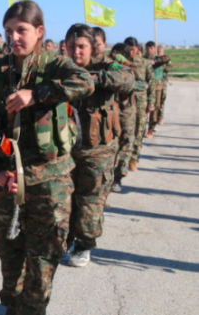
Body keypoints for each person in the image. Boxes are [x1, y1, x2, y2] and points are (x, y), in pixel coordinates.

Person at [0, 0, 93, 315]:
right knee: (9, 255)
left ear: (39, 31)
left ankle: (32, 309)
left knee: (44, 258)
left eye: (21, 30)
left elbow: (85, 82)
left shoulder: (54, 66)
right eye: (8, 31)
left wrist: (36, 94)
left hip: (50, 181)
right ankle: (14, 306)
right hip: (8, 183)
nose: (14, 37)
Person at [64, 24, 134, 267]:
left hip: (98, 150)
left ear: (92, 47)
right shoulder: (61, 68)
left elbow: (127, 79)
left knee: (90, 199)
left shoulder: (107, 66)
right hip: (66, 147)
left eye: (81, 46)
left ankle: (84, 245)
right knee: (64, 197)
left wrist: (92, 78)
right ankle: (65, 239)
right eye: (72, 46)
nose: (76, 52)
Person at [110, 43, 138, 193]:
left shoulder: (131, 68)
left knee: (126, 143)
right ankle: (108, 177)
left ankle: (118, 177)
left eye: (119, 54)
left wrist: (124, 63)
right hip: (111, 110)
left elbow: (137, 79)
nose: (116, 56)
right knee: (111, 144)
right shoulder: (108, 66)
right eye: (115, 53)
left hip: (127, 111)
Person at [124, 37, 154, 172]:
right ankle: (122, 159)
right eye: (128, 49)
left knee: (139, 131)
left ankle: (133, 159)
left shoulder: (144, 63)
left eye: (133, 49)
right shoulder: (119, 63)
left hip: (140, 102)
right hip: (123, 102)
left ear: (137, 49)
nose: (130, 52)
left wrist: (151, 103)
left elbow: (151, 83)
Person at [144, 41, 171, 138]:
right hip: (146, 87)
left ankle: (150, 130)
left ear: (154, 49)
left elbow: (168, 58)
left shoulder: (159, 58)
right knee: (144, 109)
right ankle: (142, 129)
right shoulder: (143, 59)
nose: (149, 50)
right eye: (147, 48)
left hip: (157, 87)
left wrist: (155, 61)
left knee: (155, 108)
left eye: (151, 48)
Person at [157, 46, 172, 125]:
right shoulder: (154, 59)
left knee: (162, 99)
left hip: (163, 82)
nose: (159, 53)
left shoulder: (166, 60)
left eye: (160, 51)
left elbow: (170, 69)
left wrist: (162, 66)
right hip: (155, 82)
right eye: (158, 51)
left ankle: (160, 117)